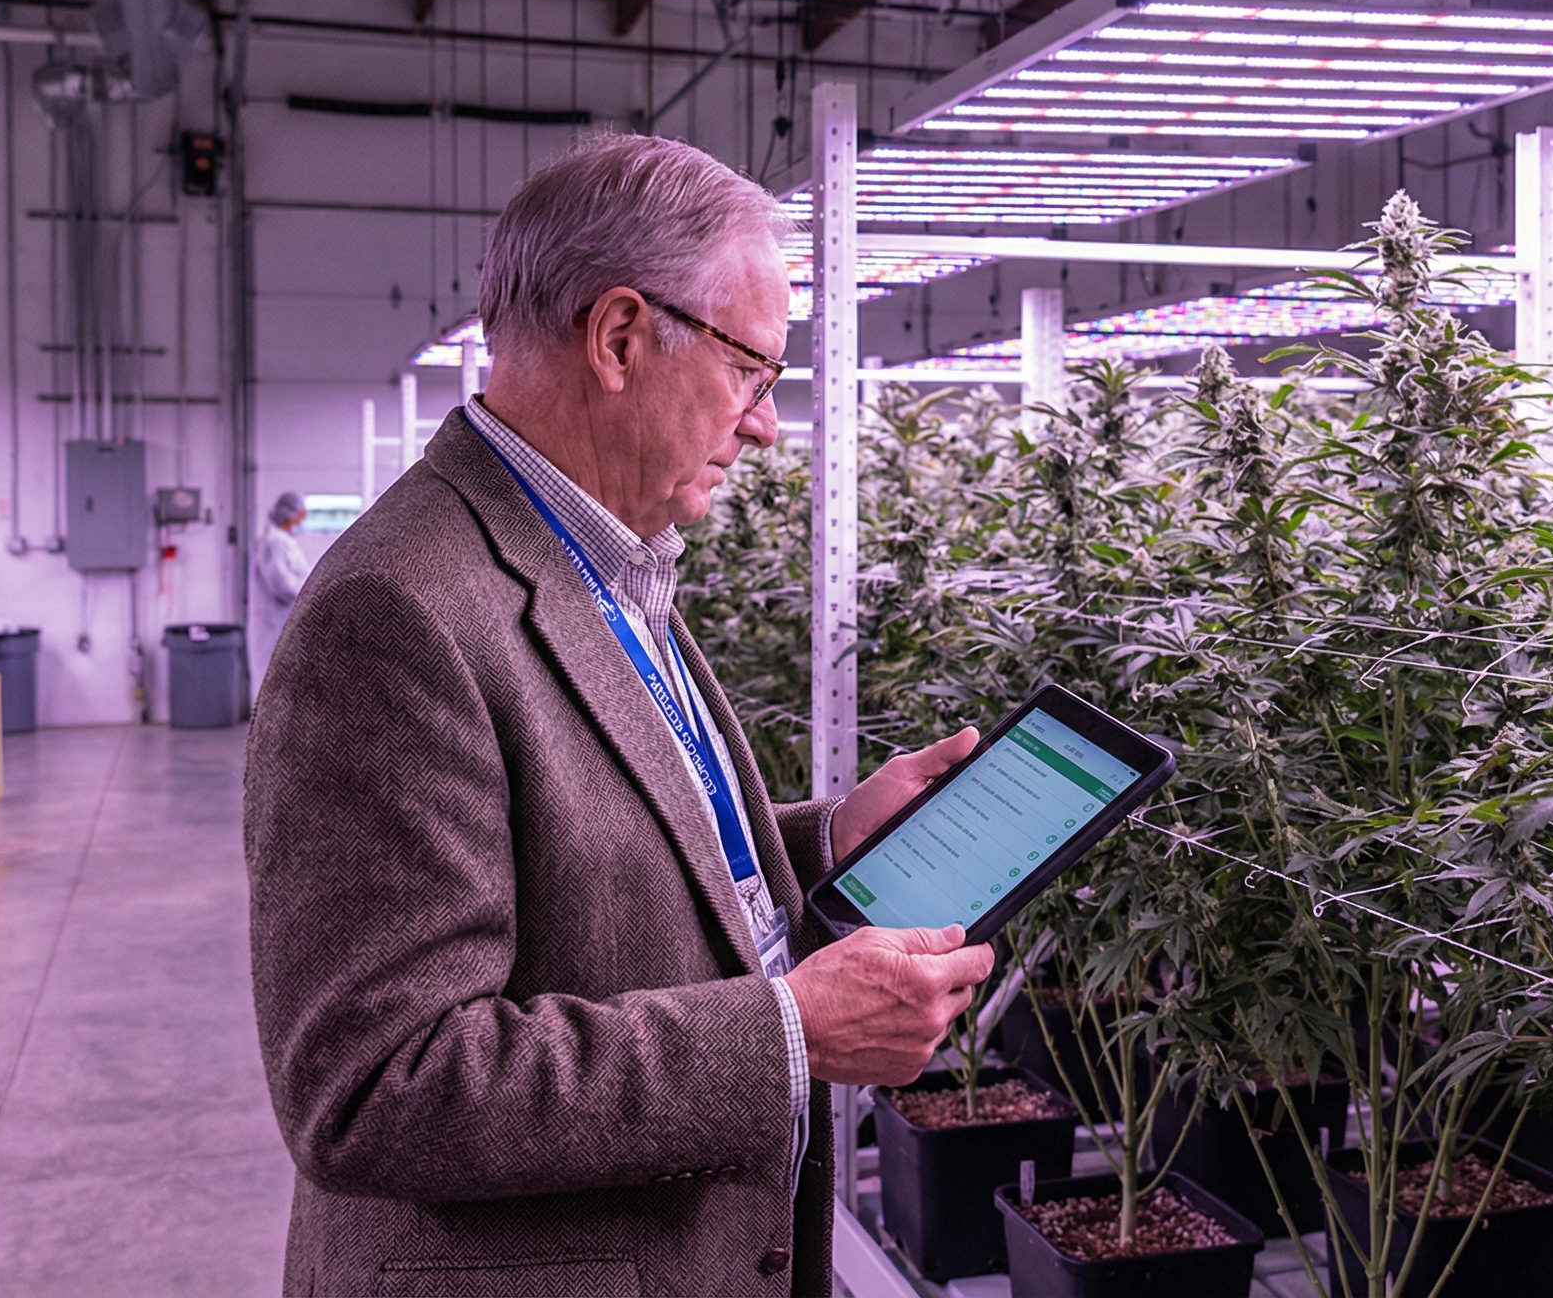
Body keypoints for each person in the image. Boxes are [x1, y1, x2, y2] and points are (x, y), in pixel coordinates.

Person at [245, 133, 994, 1298]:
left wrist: (828, 839)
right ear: (621, 337)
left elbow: (605, 863)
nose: (764, 425)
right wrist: (787, 1034)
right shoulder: (397, 614)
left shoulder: (602, 559)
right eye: (752, 372)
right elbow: (378, 1085)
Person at [248, 490, 310, 703]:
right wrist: (314, 587)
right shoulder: (271, 542)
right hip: (271, 625)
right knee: (271, 688)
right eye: (301, 516)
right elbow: (282, 585)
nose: (302, 521)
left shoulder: (284, 541)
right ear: (290, 515)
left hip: (284, 624)